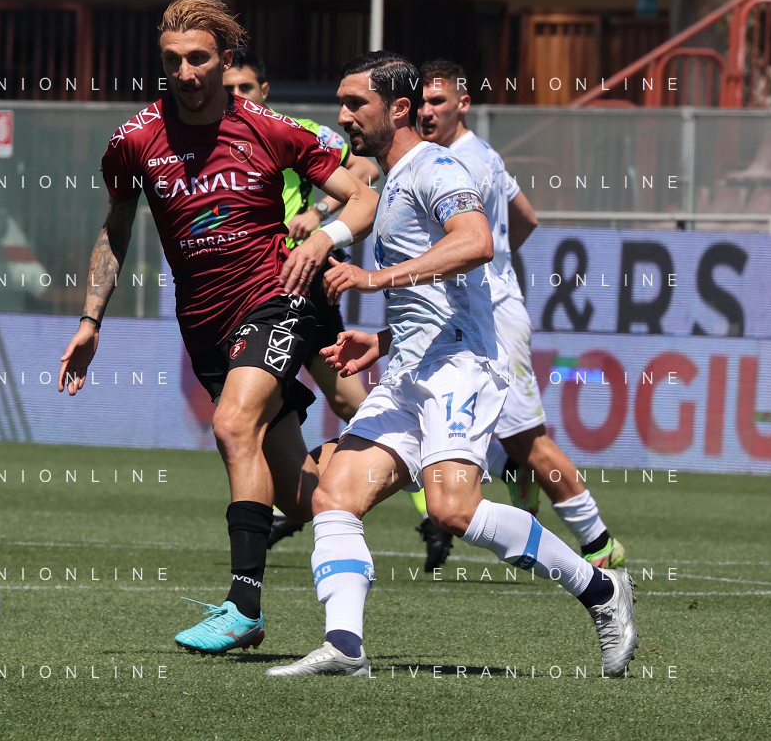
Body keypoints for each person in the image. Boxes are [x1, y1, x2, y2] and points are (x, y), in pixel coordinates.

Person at [265, 51, 637, 678]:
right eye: (342, 103)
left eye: (356, 103)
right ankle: (345, 646)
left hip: (461, 366)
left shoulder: (437, 166)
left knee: (451, 509)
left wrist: (374, 277)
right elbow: (441, 293)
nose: (344, 116)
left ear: (398, 108)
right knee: (334, 496)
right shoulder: (392, 179)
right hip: (409, 372)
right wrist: (383, 340)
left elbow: (476, 241)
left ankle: (602, 588)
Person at [58, 0, 379, 656]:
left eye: (198, 58)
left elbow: (363, 195)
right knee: (306, 500)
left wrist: (325, 237)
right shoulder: (134, 141)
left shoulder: (269, 129)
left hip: (276, 297)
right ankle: (405, 455)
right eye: (172, 60)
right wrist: (91, 319)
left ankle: (243, 606)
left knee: (233, 425)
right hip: (204, 326)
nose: (184, 72)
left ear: (226, 60)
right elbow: (115, 230)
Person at [418, 59, 626, 568]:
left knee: (528, 441)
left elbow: (478, 236)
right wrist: (503, 260)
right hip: (473, 312)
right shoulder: (482, 155)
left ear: (463, 104)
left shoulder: (462, 165)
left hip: (493, 317)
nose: (426, 111)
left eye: (437, 101)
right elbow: (526, 217)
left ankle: (599, 544)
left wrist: (492, 270)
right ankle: (512, 477)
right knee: (453, 422)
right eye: (420, 101)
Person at [221, 48, 402, 551]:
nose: (237, 96)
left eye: (245, 87)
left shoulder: (294, 131)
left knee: (341, 402)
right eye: (229, 89)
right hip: (242, 289)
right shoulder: (210, 139)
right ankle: (300, 496)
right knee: (265, 417)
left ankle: (419, 488)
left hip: (299, 278)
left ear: (264, 91)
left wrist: (320, 212)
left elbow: (362, 170)